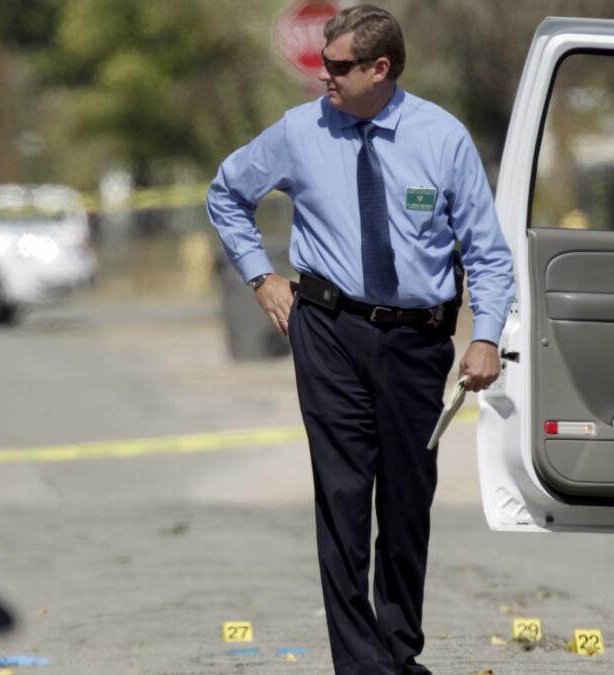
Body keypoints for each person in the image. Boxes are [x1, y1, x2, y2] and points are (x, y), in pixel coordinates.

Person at [205, 5, 515, 674]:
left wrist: (485, 336)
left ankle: (398, 652)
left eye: (340, 66)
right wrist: (261, 277)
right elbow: (226, 194)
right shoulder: (299, 131)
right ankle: (359, 664)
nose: (326, 77)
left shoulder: (442, 137)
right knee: (344, 496)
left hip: (417, 340)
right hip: (329, 330)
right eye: (323, 62)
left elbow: (487, 253)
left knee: (407, 499)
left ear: (381, 69)